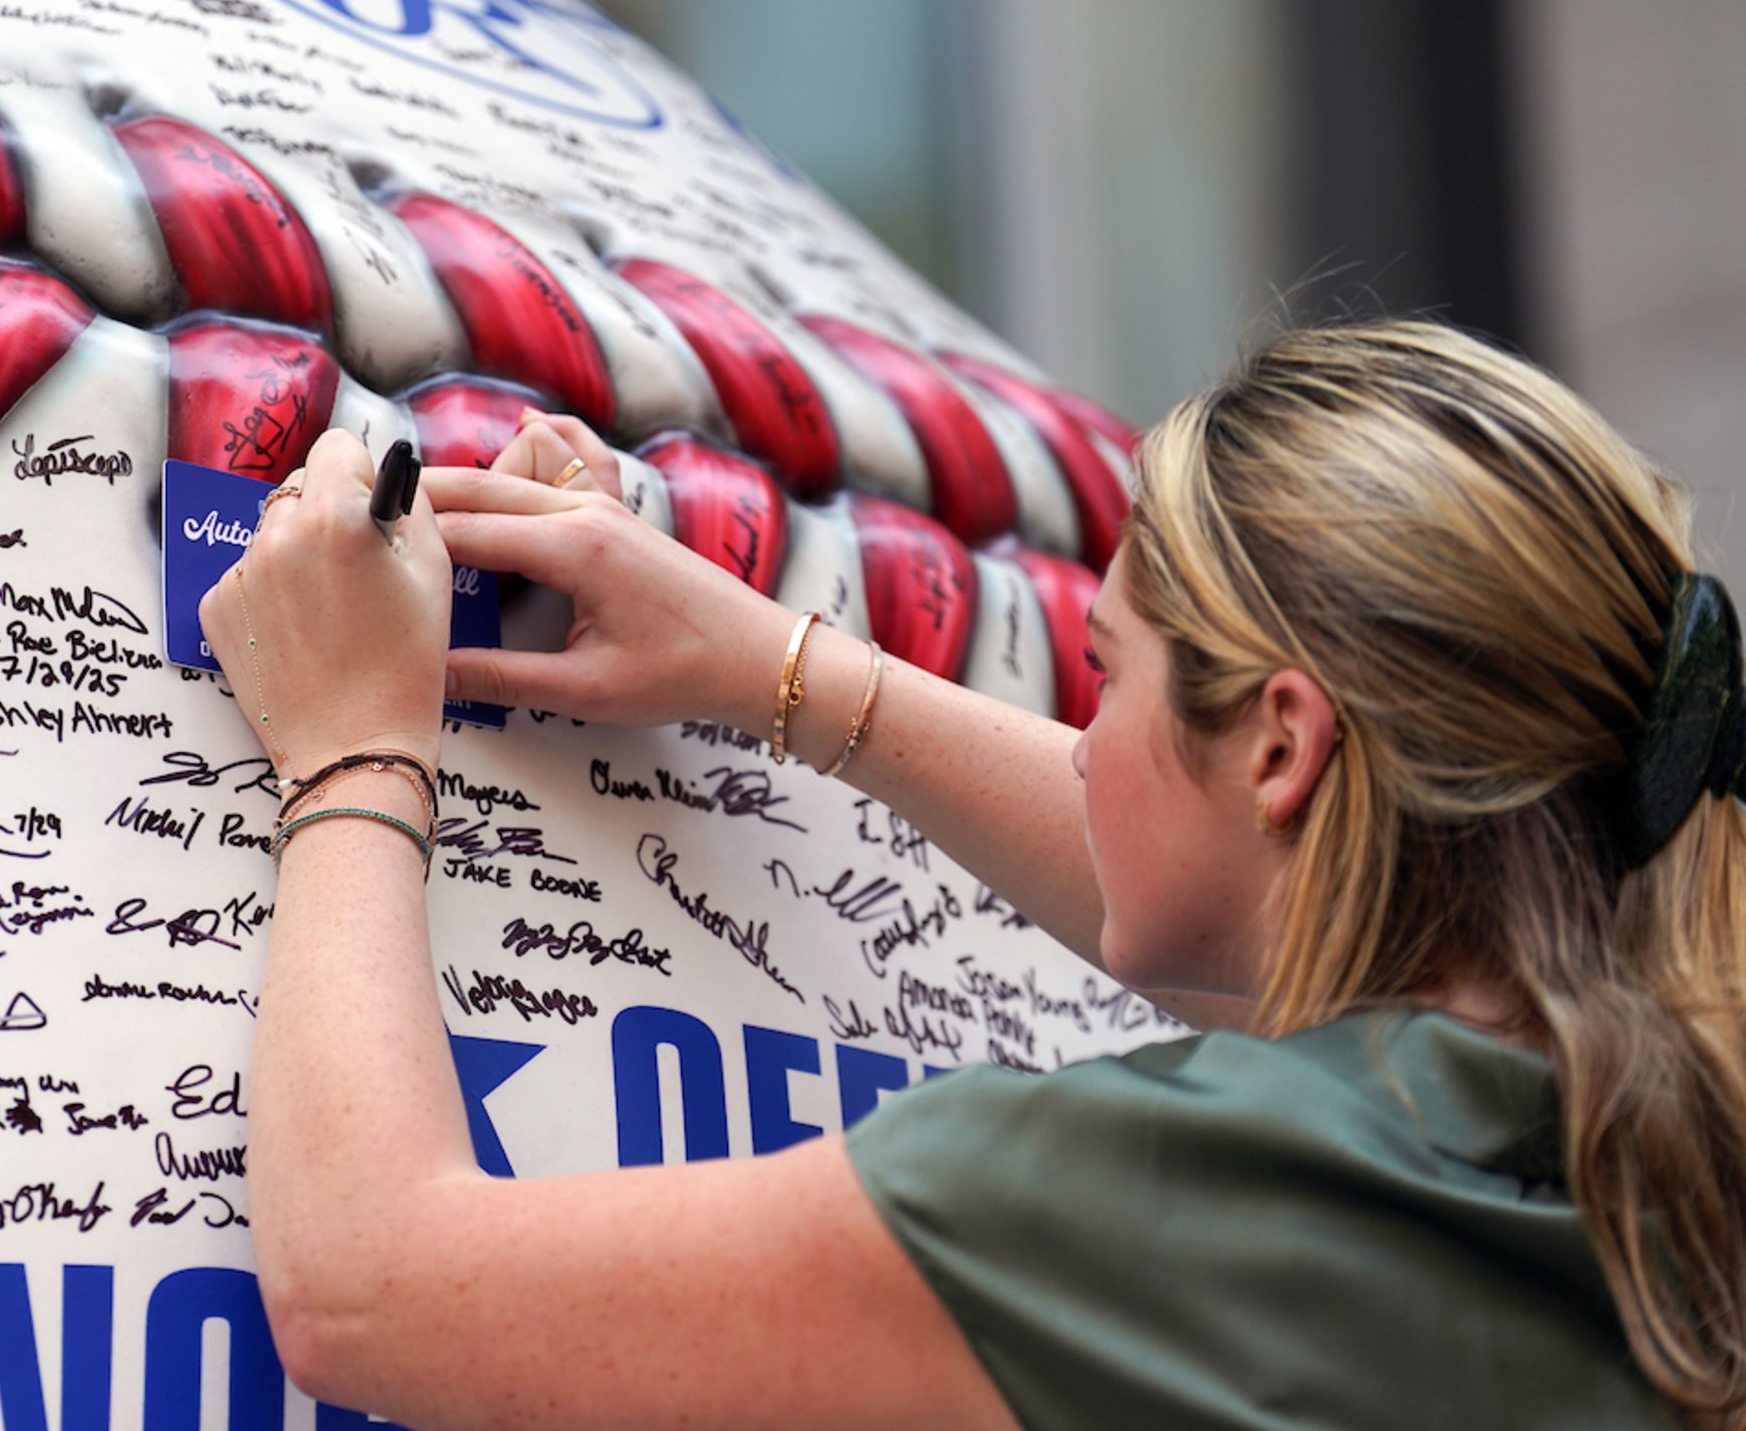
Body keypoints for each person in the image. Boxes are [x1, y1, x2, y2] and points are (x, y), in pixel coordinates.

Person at [199, 318, 1745, 1430]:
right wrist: (776, 669)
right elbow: (1239, 894)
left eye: (1105, 675)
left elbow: (369, 1295)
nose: (1077, 743)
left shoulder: (1169, 1198)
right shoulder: (1649, 1133)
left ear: (1284, 746)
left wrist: (351, 746)